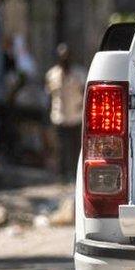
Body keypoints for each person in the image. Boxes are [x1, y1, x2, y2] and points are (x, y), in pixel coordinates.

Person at [45, 43, 86, 179]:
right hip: (59, 116)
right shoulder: (52, 74)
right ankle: (61, 174)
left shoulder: (79, 74)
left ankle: (75, 173)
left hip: (75, 116)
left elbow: (84, 92)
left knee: (75, 147)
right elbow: (49, 95)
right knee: (60, 147)